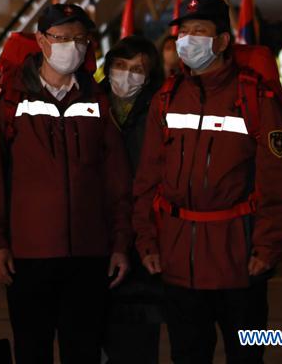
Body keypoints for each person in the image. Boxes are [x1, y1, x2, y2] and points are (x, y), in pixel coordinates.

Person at [133, 0, 282, 364]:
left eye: (199, 31)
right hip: (179, 262)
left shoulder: (255, 97)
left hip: (239, 262)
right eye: (183, 32)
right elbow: (147, 179)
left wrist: (267, 247)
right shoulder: (167, 98)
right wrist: (147, 241)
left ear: (222, 41)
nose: (187, 40)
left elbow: (278, 182)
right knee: (187, 355)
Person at [0, 3, 131, 364]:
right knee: (32, 351)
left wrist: (120, 243)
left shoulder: (97, 99)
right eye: (62, 38)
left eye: (80, 38)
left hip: (89, 256)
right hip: (28, 257)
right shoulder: (9, 98)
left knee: (84, 352)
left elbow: (116, 179)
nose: (72, 46)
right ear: (42, 41)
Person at [99, 35, 164, 364]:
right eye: (121, 65)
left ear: (150, 76)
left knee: (138, 341)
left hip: (142, 240)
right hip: (97, 236)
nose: (126, 75)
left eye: (137, 69)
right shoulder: (91, 104)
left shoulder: (160, 111)